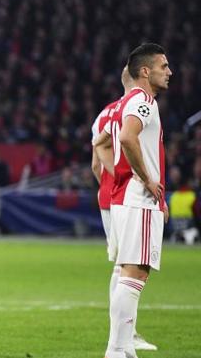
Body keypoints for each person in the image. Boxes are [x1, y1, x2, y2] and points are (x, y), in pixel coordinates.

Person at [95, 43, 171, 358]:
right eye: (164, 66)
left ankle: (123, 348)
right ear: (145, 71)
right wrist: (147, 179)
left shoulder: (127, 101)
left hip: (127, 197)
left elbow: (102, 143)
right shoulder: (142, 101)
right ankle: (118, 349)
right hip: (139, 199)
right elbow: (127, 137)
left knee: (130, 271)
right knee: (134, 273)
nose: (169, 72)